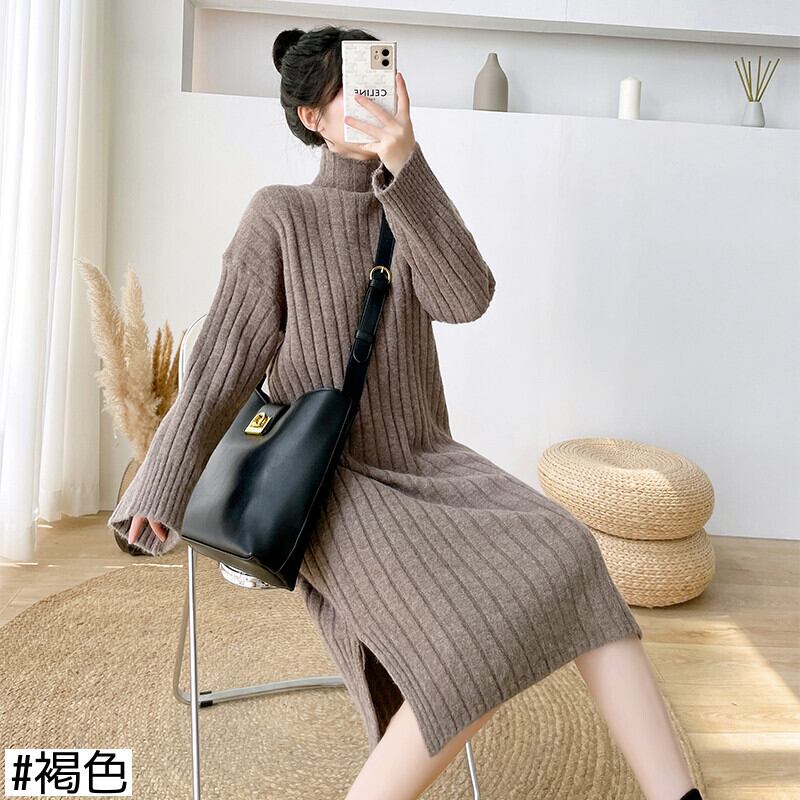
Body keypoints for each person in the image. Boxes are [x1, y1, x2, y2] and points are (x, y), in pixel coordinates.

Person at [108, 24, 705, 800]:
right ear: (311, 117)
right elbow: (221, 363)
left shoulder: (405, 201)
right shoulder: (279, 215)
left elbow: (468, 297)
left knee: (572, 553)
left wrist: (407, 163)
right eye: (346, 89)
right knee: (458, 650)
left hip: (427, 458)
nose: (368, 99)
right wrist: (159, 485)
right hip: (331, 483)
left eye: (377, 81)